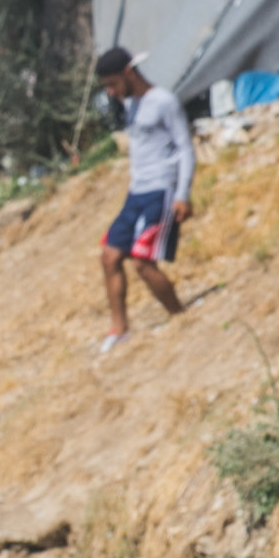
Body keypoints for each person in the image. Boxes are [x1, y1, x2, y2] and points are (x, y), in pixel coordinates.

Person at [92, 46, 191, 353]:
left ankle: (180, 317)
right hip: (136, 192)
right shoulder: (130, 105)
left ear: (128, 73)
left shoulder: (164, 101)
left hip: (160, 191)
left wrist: (183, 193)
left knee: (142, 263)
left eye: (112, 84)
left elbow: (185, 147)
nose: (110, 92)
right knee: (109, 257)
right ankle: (120, 329)